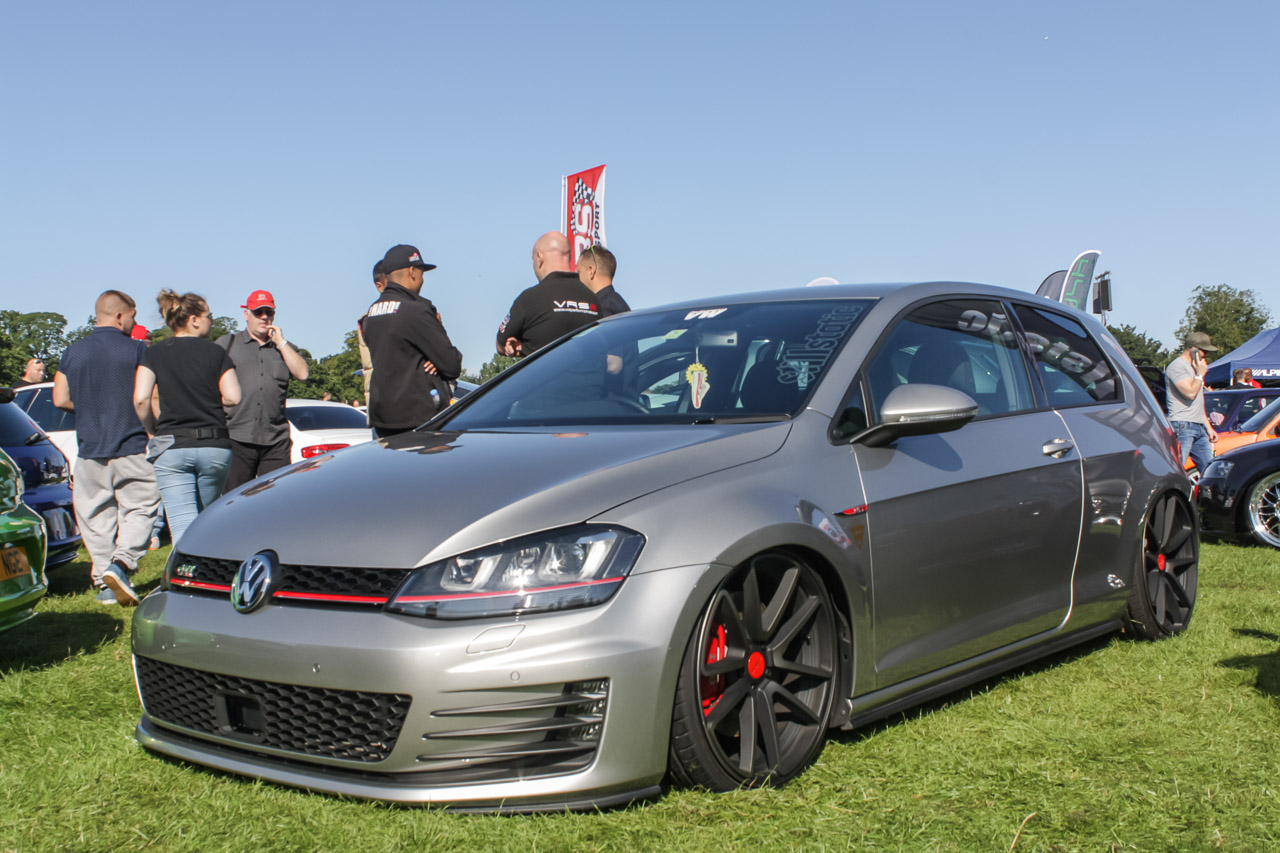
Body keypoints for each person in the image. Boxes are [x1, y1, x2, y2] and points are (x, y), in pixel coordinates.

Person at [51, 291, 161, 606]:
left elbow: (59, 398)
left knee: (95, 517)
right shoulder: (138, 349)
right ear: (119, 315)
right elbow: (147, 397)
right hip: (131, 443)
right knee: (141, 508)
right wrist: (154, 430)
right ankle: (122, 563)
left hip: (89, 448)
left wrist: (88, 409)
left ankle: (104, 584)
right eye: (133, 316)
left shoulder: (72, 352)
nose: (134, 323)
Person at [133, 291, 241, 546]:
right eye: (209, 316)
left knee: (182, 525)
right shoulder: (216, 353)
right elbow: (234, 397)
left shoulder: (154, 353)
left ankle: (185, 570)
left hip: (172, 445)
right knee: (205, 522)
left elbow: (141, 399)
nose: (211, 321)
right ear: (194, 320)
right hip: (214, 446)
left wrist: (152, 430)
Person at [363, 244, 463, 437]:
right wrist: (438, 358)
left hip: (383, 418)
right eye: (421, 273)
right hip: (419, 417)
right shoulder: (416, 310)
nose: (422, 279)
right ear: (412, 271)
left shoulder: (371, 314)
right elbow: (451, 365)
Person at [216, 290, 309, 491]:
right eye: (258, 312)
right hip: (236, 436)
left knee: (276, 498)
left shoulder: (284, 348)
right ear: (246, 314)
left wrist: (281, 343)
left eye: (269, 312)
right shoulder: (227, 344)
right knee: (234, 499)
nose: (264, 317)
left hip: (275, 439)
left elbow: (303, 374)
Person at [497, 231, 602, 358]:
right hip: (590, 371)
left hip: (547, 372)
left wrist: (522, 348)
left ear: (539, 257)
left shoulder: (529, 299)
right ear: (569, 257)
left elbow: (501, 345)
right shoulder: (594, 300)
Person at [1165, 331, 1219, 475]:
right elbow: (1189, 393)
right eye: (1204, 351)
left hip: (1198, 425)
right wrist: (1200, 375)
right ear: (1194, 350)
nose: (1206, 356)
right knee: (1177, 469)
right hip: (1182, 425)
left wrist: (1208, 427)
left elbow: (1198, 401)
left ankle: (1208, 490)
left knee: (1210, 471)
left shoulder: (1193, 368)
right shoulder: (1177, 366)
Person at [356, 259, 387, 408]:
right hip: (386, 401)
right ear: (379, 286)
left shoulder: (367, 319)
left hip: (377, 402)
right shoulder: (371, 320)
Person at [577, 244, 630, 317]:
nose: (576, 277)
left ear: (591, 271)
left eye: (578, 272)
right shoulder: (617, 303)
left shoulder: (601, 309)